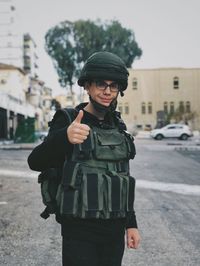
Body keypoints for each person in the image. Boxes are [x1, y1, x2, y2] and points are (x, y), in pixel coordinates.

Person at [28, 51, 141, 266]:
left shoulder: (117, 126)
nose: (108, 91)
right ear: (87, 86)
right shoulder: (68, 120)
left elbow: (123, 176)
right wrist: (65, 138)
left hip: (114, 232)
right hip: (79, 232)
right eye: (101, 84)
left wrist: (131, 224)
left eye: (113, 86)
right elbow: (35, 162)